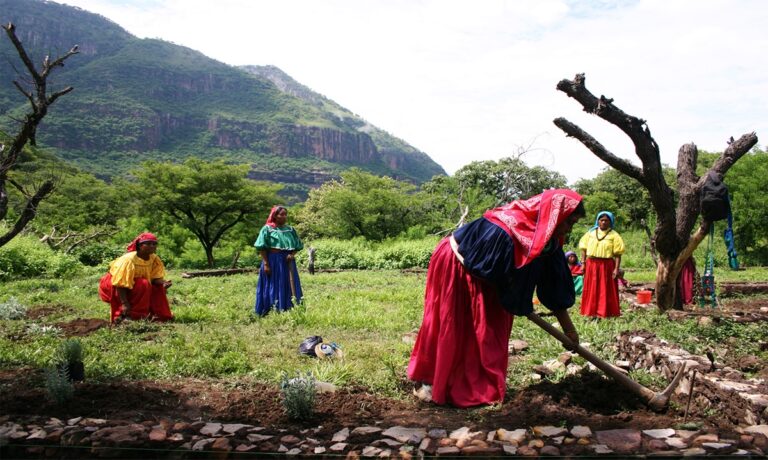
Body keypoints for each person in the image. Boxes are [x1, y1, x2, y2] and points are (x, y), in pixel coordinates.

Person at [407, 189, 586, 408]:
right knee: (460, 325)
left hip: (490, 278)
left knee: (491, 330)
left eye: (572, 224)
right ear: (555, 215)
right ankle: (435, 381)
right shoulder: (506, 228)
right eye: (568, 223)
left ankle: (476, 386)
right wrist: (516, 298)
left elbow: (554, 288)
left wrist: (569, 331)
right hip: (459, 265)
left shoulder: (549, 242)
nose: (569, 230)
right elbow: (489, 272)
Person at [98, 232, 173, 324]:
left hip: (135, 284)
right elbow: (120, 284)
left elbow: (154, 278)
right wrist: (124, 304)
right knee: (143, 283)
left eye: (154, 244)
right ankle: (128, 316)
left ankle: (157, 315)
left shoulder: (154, 258)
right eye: (148, 244)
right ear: (140, 246)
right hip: (114, 284)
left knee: (157, 287)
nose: (152, 246)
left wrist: (163, 282)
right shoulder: (128, 260)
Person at [254, 206, 304, 316]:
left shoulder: (290, 229)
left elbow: (298, 245)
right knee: (273, 283)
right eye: (281, 214)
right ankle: (272, 308)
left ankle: (289, 307)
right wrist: (266, 263)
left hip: (288, 261)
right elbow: (261, 247)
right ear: (275, 216)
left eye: (285, 214)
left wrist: (292, 254)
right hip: (272, 260)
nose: (284, 216)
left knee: (287, 282)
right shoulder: (267, 229)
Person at [579, 211, 626, 318]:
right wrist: (583, 263)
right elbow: (583, 248)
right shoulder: (590, 233)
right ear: (598, 221)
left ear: (610, 222)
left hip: (607, 265)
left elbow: (618, 254)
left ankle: (605, 312)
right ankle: (590, 311)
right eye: (602, 220)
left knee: (606, 288)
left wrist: (616, 269)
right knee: (591, 287)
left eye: (606, 220)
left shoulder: (614, 235)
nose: (604, 222)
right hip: (591, 264)